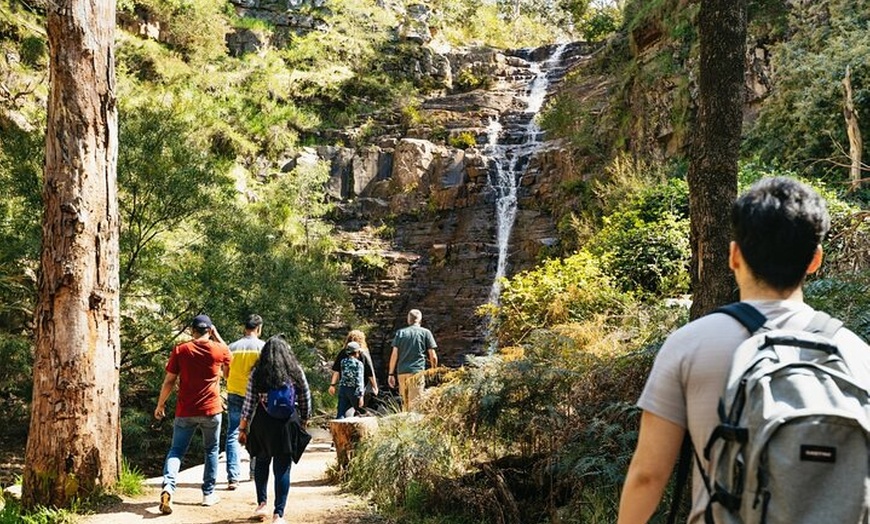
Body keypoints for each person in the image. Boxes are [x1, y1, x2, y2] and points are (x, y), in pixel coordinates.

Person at [616, 177, 870, 523]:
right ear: (815, 260)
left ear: (734, 256)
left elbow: (648, 475)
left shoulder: (689, 345)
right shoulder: (857, 354)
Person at [155, 314, 231, 514]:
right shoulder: (219, 349)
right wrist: (218, 336)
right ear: (210, 330)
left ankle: (168, 488)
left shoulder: (181, 349)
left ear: (192, 330)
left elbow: (169, 380)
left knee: (176, 451)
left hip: (185, 410)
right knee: (211, 450)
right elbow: (228, 369)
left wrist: (160, 404)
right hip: (212, 410)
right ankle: (208, 494)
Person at [238, 335, 311, 524]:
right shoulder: (294, 370)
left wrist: (243, 427)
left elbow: (249, 402)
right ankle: (279, 514)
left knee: (261, 462)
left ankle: (261, 504)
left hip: (263, 423)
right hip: (287, 423)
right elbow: (305, 396)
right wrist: (304, 419)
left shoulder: (258, 373)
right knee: (283, 468)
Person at [225, 314, 265, 490]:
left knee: (233, 432)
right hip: (255, 395)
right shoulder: (263, 348)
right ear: (259, 328)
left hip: (234, 392)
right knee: (256, 431)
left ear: (245, 328)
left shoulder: (231, 347)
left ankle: (233, 478)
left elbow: (225, 373)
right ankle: (254, 473)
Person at [387, 309, 438, 411]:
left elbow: (394, 355)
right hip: (416, 372)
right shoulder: (425, 333)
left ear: (408, 320)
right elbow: (433, 356)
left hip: (402, 373)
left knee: (405, 405)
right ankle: (414, 426)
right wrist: (433, 370)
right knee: (416, 405)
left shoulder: (400, 333)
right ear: (420, 320)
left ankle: (405, 426)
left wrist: (391, 374)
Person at [328, 330, 378, 413]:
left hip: (344, 386)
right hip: (359, 388)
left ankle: (341, 422)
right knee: (358, 409)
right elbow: (370, 372)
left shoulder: (343, 352)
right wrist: (375, 387)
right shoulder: (363, 353)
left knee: (343, 409)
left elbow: (336, 370)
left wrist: (332, 385)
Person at [332, 341, 365, 418]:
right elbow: (359, 380)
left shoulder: (343, 362)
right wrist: (361, 396)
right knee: (358, 410)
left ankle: (339, 424)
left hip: (343, 388)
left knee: (341, 410)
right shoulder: (359, 364)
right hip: (354, 390)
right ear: (356, 352)